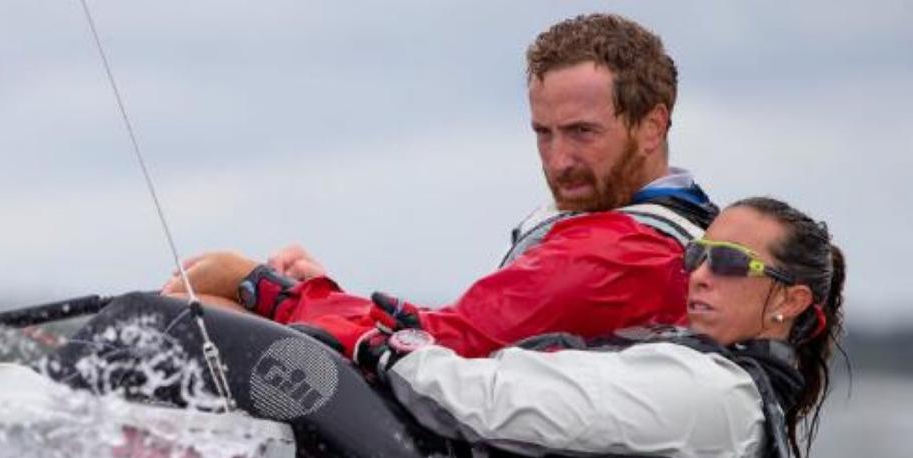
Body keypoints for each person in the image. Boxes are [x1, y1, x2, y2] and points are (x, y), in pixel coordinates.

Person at [345, 197, 846, 458]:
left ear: (792, 300)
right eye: (697, 255)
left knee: (291, 347)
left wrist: (394, 351)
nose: (700, 276)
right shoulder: (748, 404)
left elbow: (500, 405)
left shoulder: (714, 394)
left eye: (731, 263)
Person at [163, 13, 718, 360]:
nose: (559, 159)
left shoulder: (621, 251)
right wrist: (318, 293)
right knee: (221, 314)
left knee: (188, 317)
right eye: (542, 133)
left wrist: (262, 286)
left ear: (652, 125)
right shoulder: (677, 219)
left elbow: (442, 341)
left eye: (582, 133)